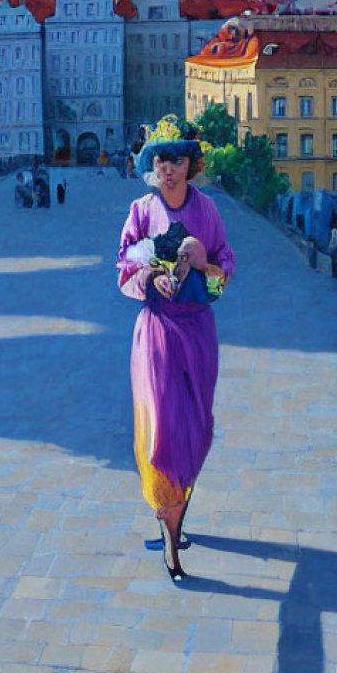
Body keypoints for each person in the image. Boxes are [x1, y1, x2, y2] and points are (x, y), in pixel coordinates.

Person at [116, 115, 235, 582]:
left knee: (196, 428)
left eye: (178, 160)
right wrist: (149, 275)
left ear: (191, 164)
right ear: (153, 164)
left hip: (198, 332)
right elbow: (124, 264)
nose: (169, 169)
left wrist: (205, 265)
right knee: (160, 430)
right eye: (162, 160)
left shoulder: (207, 210)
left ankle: (177, 511)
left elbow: (226, 265)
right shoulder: (141, 210)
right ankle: (169, 535)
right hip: (157, 331)